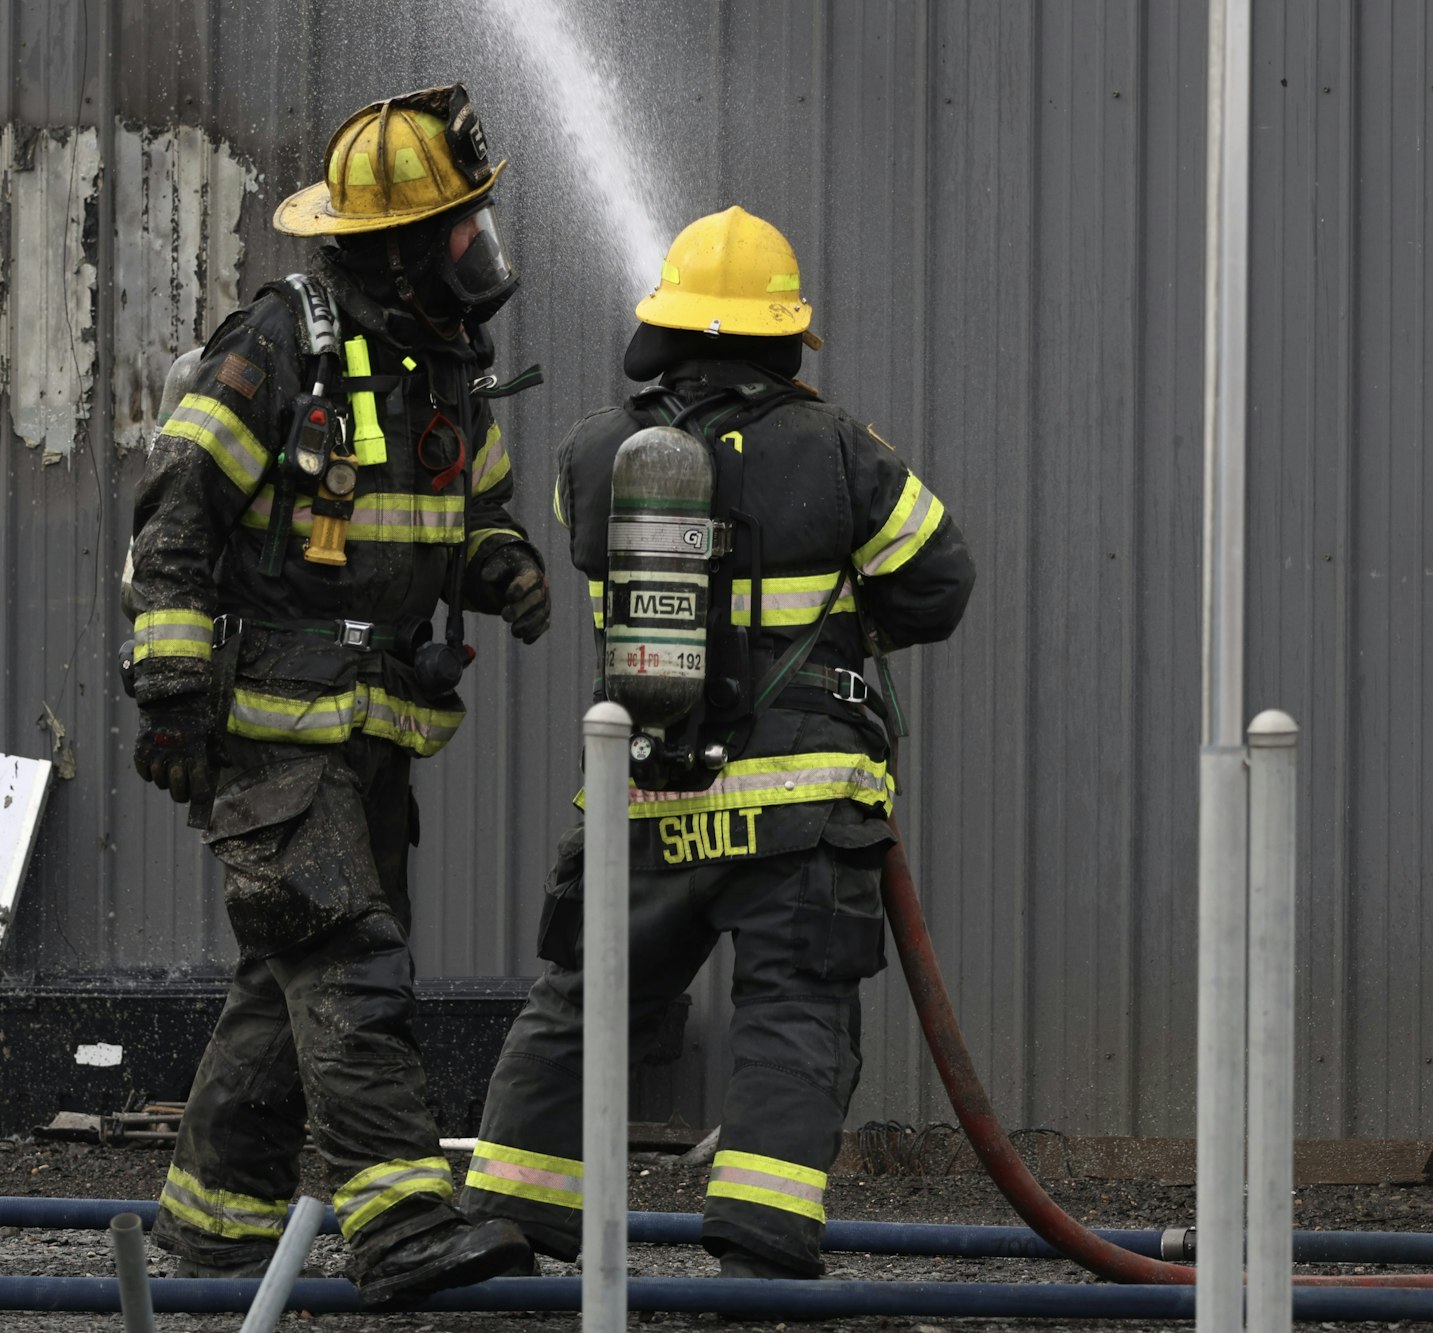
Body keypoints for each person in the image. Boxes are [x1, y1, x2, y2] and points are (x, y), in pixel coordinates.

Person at [459, 206, 974, 1281]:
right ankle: (758, 1239)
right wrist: (837, 624)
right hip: (796, 802)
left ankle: (508, 1211)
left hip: (642, 794)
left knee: (584, 999)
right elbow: (938, 582)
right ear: (782, 334)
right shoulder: (838, 450)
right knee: (791, 1006)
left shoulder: (590, 452)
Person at [123, 83, 549, 1305]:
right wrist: (171, 690)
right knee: (351, 961)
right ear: (406, 243)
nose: (479, 249)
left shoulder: (450, 366)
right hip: (272, 737)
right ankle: (400, 1215)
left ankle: (213, 1229)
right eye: (462, 228)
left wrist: (503, 565)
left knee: (288, 976)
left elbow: (467, 518)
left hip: (373, 740)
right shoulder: (277, 340)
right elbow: (176, 512)